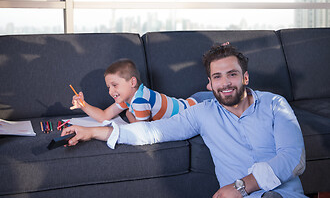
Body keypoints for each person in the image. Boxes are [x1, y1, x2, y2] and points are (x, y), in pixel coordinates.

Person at [62, 43, 306, 198]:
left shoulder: (276, 104)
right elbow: (151, 132)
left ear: (245, 77)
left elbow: (294, 159)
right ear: (210, 82)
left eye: (232, 74)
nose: (226, 83)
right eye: (217, 77)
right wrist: (94, 132)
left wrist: (242, 186)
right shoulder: (202, 113)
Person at [70, 58, 213, 123]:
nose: (110, 91)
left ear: (132, 82)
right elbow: (104, 116)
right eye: (108, 87)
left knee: (234, 100)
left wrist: (128, 114)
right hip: (194, 101)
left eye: (115, 85)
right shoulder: (129, 97)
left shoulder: (139, 100)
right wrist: (83, 105)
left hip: (197, 106)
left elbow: (142, 130)